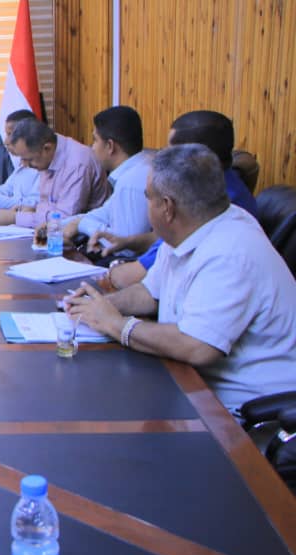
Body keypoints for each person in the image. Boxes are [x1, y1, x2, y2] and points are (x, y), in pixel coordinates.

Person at [67, 144, 296, 415]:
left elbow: (196, 346)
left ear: (167, 207)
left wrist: (116, 324)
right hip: (191, 385)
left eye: (147, 198)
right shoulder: (190, 229)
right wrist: (100, 306)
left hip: (243, 413)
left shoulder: (231, 251)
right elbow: (149, 294)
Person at [101, 110, 259, 288]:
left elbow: (132, 277)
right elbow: (162, 245)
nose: (162, 157)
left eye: (169, 151)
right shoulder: (221, 187)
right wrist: (128, 242)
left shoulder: (210, 206)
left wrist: (104, 272)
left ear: (192, 158)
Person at [61, 106, 153, 255]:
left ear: (110, 146)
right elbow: (104, 213)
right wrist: (58, 225)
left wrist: (81, 225)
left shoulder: (131, 182)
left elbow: (125, 249)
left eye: (95, 140)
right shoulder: (137, 168)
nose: (92, 147)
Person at [0, 119, 109, 228]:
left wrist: (15, 218)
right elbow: (49, 205)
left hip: (85, 240)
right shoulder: (48, 154)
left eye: (29, 159)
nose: (24, 165)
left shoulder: (76, 164)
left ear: (47, 148)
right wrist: (32, 210)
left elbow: (64, 220)